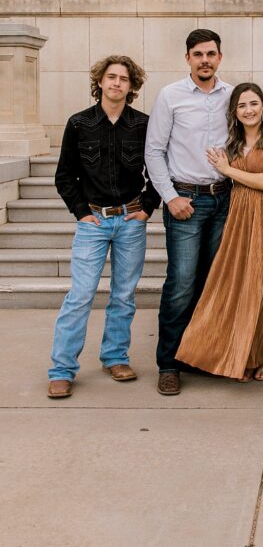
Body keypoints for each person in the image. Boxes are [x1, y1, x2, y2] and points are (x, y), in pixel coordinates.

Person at [47, 56, 159, 399]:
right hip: (93, 222)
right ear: (100, 82)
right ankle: (62, 370)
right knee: (80, 296)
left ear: (132, 85)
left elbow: (159, 166)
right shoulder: (79, 123)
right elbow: (65, 175)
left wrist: (147, 206)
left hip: (129, 221)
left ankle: (115, 357)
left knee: (123, 296)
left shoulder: (142, 124)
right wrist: (81, 213)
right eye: (111, 77)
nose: (117, 83)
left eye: (124, 79)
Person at [176, 83, 263, 381]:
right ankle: (236, 355)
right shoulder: (232, 141)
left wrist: (228, 171)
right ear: (234, 112)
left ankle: (260, 357)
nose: (249, 110)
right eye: (241, 106)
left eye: (254, 103)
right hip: (238, 212)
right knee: (237, 283)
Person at [145, 29, 233, 396]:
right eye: (198, 54)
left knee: (214, 282)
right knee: (181, 284)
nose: (205, 60)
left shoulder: (233, 95)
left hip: (224, 199)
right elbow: (154, 151)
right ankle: (169, 363)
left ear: (220, 57)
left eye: (211, 54)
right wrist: (170, 197)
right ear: (187, 59)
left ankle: (200, 354)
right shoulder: (171, 96)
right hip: (186, 200)